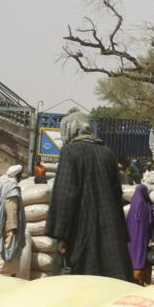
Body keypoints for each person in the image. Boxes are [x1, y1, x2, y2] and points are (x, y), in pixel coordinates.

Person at [46, 112, 133, 280]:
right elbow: (117, 195)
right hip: (110, 231)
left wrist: (61, 235)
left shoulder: (70, 152)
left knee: (81, 280)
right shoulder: (107, 152)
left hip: (81, 231)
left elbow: (65, 196)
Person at [0, 170, 28, 277]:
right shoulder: (13, 188)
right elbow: (12, 208)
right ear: (18, 175)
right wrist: (13, 227)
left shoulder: (4, 185)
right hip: (9, 226)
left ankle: (2, 275)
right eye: (21, 175)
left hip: (3, 223)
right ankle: (3, 277)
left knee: (5, 250)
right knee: (8, 251)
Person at [126, 184, 154, 285]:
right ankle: (141, 278)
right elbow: (150, 220)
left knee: (133, 253)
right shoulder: (145, 203)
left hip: (131, 235)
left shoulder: (133, 203)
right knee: (142, 253)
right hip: (142, 235)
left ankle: (134, 274)